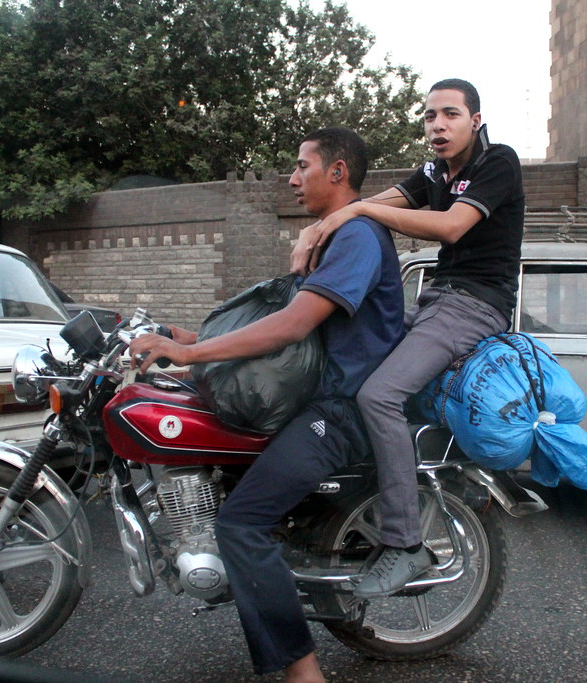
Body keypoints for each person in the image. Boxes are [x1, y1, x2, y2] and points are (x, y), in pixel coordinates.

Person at [129, 128, 404, 682]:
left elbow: (293, 326)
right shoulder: (334, 236)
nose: (293, 177)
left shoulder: (358, 237)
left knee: (241, 523)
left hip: (340, 409)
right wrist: (184, 338)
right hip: (315, 395)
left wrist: (190, 352)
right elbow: (279, 325)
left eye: (303, 166)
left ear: (338, 171)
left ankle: (303, 673)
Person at [292, 79, 525, 598]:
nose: (437, 125)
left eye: (450, 114)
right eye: (429, 116)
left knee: (380, 395)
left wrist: (355, 211)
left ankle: (405, 542)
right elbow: (370, 201)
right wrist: (321, 225)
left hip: (475, 305)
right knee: (350, 361)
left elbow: (450, 227)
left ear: (475, 121)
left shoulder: (498, 162)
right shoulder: (434, 172)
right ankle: (343, 495)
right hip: (436, 298)